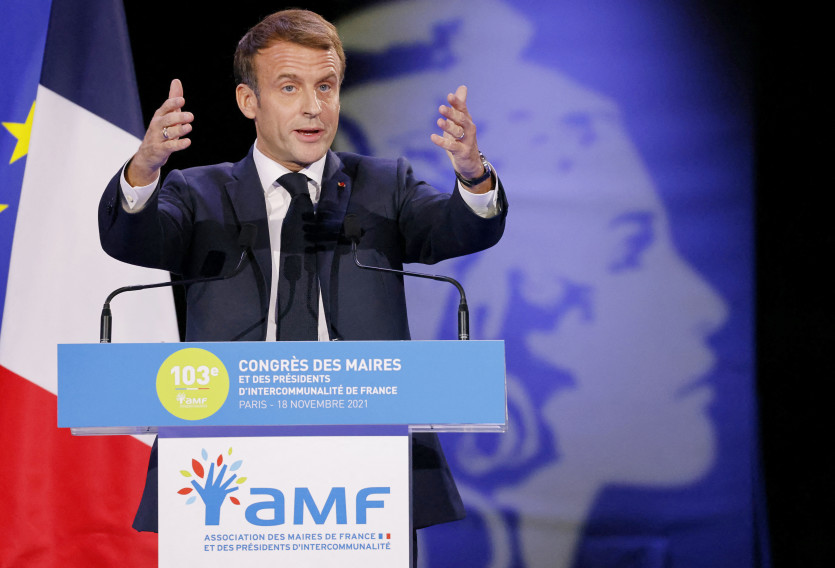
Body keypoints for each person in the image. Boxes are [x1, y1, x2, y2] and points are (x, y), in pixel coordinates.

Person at [97, 8, 506, 542]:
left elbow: (460, 229)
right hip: (223, 463)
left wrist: (473, 176)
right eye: (289, 87)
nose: (313, 106)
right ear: (249, 101)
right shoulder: (198, 194)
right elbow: (130, 238)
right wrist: (143, 169)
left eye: (326, 86)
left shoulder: (385, 186)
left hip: (367, 465)